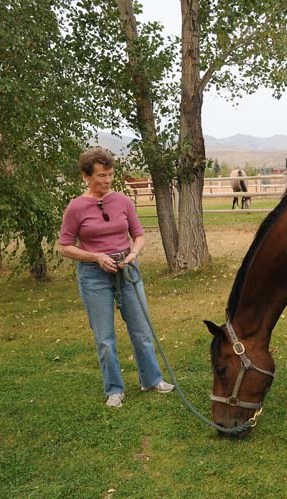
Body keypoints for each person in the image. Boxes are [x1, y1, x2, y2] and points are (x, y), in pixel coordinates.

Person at [58, 147, 174, 408]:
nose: (107, 180)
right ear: (86, 176)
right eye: (101, 175)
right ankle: (114, 390)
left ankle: (152, 380)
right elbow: (65, 246)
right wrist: (96, 257)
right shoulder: (76, 207)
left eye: (110, 174)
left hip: (127, 269)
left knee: (142, 331)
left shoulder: (122, 200)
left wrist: (134, 252)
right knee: (105, 339)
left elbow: (139, 234)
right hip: (93, 276)